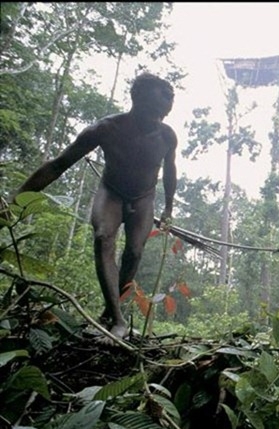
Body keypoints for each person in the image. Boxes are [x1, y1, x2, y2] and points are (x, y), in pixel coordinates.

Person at [10, 73, 178, 340]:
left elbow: (170, 172)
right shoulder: (105, 129)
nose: (158, 119)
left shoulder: (167, 137)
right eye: (154, 111)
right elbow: (57, 165)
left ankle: (110, 312)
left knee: (134, 252)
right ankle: (119, 320)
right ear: (138, 100)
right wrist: (17, 197)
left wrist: (168, 208)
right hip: (110, 192)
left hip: (144, 198)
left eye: (164, 112)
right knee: (103, 238)